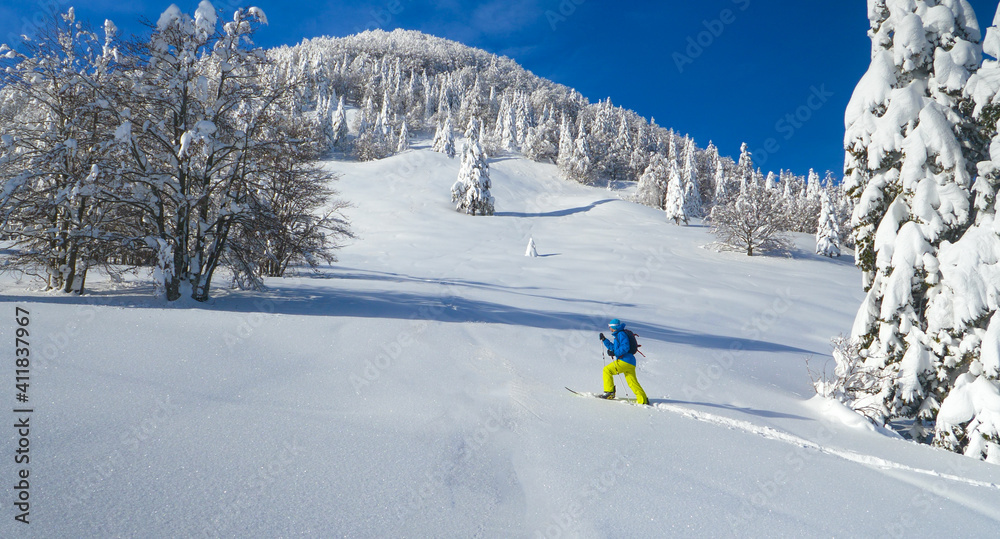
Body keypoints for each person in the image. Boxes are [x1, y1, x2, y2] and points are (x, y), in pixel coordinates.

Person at [598, 319, 649, 405]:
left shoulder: (621, 334)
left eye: (609, 326)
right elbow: (614, 348)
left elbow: (625, 347)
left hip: (624, 361)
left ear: (614, 326)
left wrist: (615, 353)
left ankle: (609, 393)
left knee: (607, 370)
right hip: (630, 362)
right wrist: (604, 340)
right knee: (632, 381)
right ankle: (642, 399)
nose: (609, 328)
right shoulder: (619, 334)